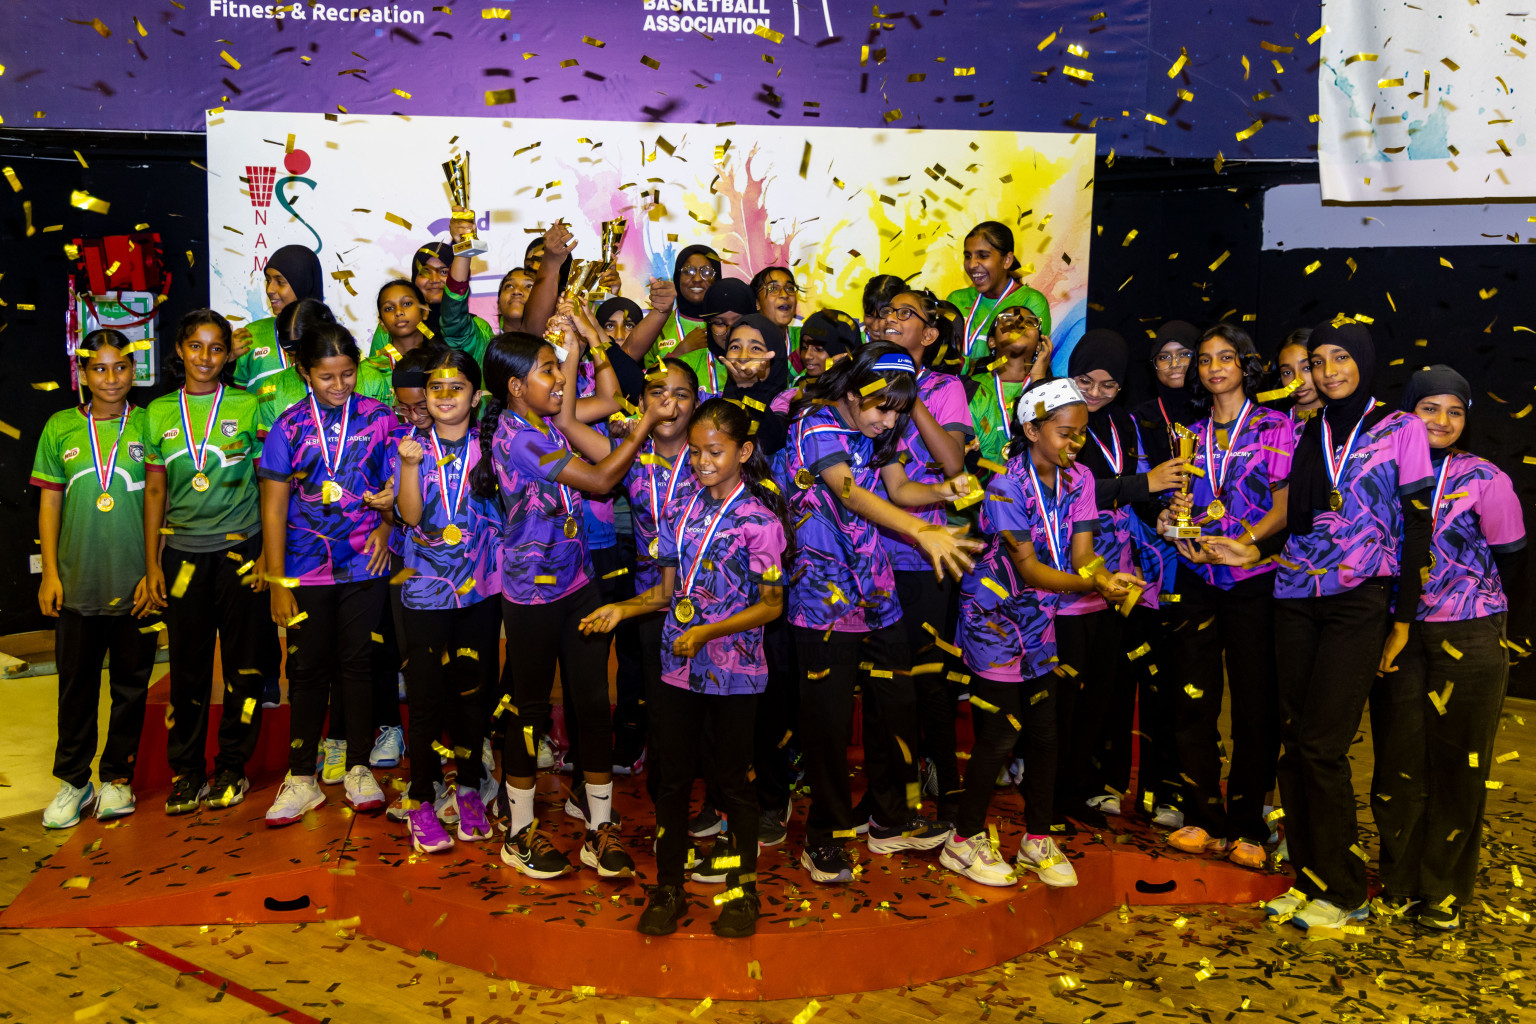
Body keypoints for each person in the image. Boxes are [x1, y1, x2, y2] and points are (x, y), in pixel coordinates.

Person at [1205, 318, 1434, 931]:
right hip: (1294, 592)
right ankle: (1307, 879)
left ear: (1362, 360)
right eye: (1317, 363)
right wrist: (1251, 550)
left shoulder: (1400, 428)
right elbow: (1301, 522)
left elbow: (1416, 526)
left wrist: (1404, 617)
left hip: (1359, 600)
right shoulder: (1309, 430)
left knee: (1324, 747)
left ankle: (1346, 889)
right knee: (1294, 739)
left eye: (1339, 359)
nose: (1327, 372)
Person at [583, 397, 792, 938]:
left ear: (744, 452)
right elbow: (667, 591)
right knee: (672, 781)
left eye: (714, 452)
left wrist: (706, 632)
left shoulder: (762, 523)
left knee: (733, 785)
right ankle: (668, 886)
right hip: (678, 668)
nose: (700, 462)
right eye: (695, 452)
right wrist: (622, 609)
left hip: (734, 670)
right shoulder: (681, 511)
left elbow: (771, 606)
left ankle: (741, 893)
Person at [779, 342, 981, 884]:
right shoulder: (816, 424)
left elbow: (897, 486)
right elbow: (849, 492)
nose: (888, 420)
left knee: (897, 704)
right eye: (880, 408)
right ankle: (824, 836)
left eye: (897, 410)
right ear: (850, 391)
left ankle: (887, 820)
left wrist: (942, 491)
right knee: (828, 722)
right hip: (822, 598)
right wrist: (920, 530)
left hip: (877, 591)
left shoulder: (881, 429)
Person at [483, 327, 677, 880]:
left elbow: (574, 409)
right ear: (517, 387)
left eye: (556, 368)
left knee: (593, 705)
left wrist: (575, 345)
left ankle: (598, 829)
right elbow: (598, 479)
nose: (559, 378)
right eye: (547, 370)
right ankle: (519, 834)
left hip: (577, 584)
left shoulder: (542, 420)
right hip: (532, 594)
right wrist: (643, 425)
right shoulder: (519, 438)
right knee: (529, 712)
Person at [948, 378, 1137, 887]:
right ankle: (962, 839)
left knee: (1045, 727)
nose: (1074, 444)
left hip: (1042, 613)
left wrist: (1102, 576)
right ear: (1031, 429)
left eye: (1081, 435)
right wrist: (1090, 583)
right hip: (995, 614)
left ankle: (1036, 838)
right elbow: (1029, 570)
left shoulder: (1081, 482)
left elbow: (1081, 556)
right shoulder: (1005, 487)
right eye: (1065, 433)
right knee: (1000, 729)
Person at [1368, 365, 1526, 930]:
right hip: (1396, 633)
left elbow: (1510, 552)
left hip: (1470, 631)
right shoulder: (1377, 472)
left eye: (1454, 411)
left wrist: (1458, 590)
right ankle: (1400, 880)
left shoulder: (1486, 477)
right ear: (1406, 414)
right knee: (1398, 765)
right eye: (1429, 408)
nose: (1441, 420)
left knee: (1459, 764)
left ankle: (1443, 890)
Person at [1161, 324, 1293, 869]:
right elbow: (1180, 507)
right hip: (1198, 580)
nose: (1215, 367)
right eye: (1207, 360)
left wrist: (1243, 544)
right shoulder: (1187, 432)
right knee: (1192, 700)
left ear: (1246, 366)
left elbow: (1285, 508)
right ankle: (1199, 816)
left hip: (1251, 582)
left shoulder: (1275, 427)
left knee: (1254, 705)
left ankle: (1246, 826)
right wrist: (1178, 534)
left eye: (1227, 358)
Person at [259, 322, 400, 825]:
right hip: (305, 565)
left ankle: (359, 766)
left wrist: (387, 522)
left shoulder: (383, 418)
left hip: (366, 563)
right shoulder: (288, 426)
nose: (338, 386)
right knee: (306, 668)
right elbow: (273, 509)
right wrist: (278, 582)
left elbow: (399, 485)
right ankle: (301, 777)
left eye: (347, 374)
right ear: (304, 372)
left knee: (359, 663)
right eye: (326, 377)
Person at [1056, 330, 1187, 831]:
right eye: (1085, 380)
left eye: (1108, 385)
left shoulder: (1125, 425)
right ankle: (1064, 787)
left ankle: (1094, 786)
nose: (1094, 393)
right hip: (1068, 573)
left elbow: (1135, 492)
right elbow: (1072, 487)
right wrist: (1143, 484)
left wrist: (1162, 508)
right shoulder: (1059, 423)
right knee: (1074, 689)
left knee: (1108, 689)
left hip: (1121, 578)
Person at [143, 310, 267, 815]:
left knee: (244, 666)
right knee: (189, 670)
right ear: (179, 350)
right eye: (196, 346)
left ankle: (233, 765)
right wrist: (152, 563)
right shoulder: (156, 412)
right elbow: (154, 490)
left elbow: (268, 484)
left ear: (228, 354)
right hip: (183, 556)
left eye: (216, 348)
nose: (205, 357)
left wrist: (267, 557)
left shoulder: (248, 405)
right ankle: (188, 771)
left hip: (241, 552)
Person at [33, 330, 156, 828]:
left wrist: (154, 573)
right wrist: (50, 575)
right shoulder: (60, 426)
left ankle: (117, 779)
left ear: (134, 371)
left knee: (131, 686)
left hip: (136, 587)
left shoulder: (151, 424)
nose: (111, 378)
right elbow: (49, 505)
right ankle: (75, 781)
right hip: (77, 586)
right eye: (99, 369)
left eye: (121, 367)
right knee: (75, 687)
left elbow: (161, 504)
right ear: (82, 374)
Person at [389, 347, 504, 853]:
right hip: (425, 591)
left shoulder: (495, 446)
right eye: (436, 388)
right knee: (428, 691)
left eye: (456, 387)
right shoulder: (411, 446)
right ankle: (421, 791)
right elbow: (411, 517)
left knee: (473, 689)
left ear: (475, 397)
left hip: (482, 589)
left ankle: (471, 785)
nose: (445, 396)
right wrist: (409, 467)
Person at [868, 289, 971, 825]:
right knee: (882, 679)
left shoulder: (946, 387)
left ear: (929, 336)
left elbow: (953, 463)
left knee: (928, 677)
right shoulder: (860, 379)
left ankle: (946, 787)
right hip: (864, 556)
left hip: (922, 556)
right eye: (886, 313)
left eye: (905, 314)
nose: (891, 319)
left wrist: (911, 394)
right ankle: (891, 793)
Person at [945, 222, 1051, 372]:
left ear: (1007, 260)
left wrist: (966, 367)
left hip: (1003, 394)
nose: (972, 264)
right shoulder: (955, 300)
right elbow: (942, 353)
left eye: (983, 256)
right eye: (968, 256)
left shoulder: (1031, 302)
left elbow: (1021, 364)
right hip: (953, 391)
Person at [966, 306, 1054, 471]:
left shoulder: (1053, 390)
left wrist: (1038, 382)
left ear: (1038, 346)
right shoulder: (969, 388)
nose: (1020, 324)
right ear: (991, 341)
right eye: (1008, 320)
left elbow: (1051, 440)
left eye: (1029, 322)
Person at [231, 244, 322, 394]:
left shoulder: (333, 339)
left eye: (280, 282)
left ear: (303, 283)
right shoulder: (250, 336)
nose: (269, 290)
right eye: (268, 280)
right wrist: (226, 359)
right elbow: (235, 401)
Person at [624, 245, 723, 367]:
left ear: (717, 278)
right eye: (689, 271)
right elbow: (642, 378)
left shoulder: (728, 325)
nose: (697, 278)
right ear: (677, 277)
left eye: (706, 272)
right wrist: (679, 352)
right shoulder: (657, 327)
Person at [718, 313, 792, 456]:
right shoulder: (715, 404)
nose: (743, 356)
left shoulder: (789, 402)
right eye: (735, 347)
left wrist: (748, 389)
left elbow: (768, 445)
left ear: (774, 358)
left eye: (756, 348)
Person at [1276, 328, 1323, 433]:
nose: (1298, 381)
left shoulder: (1347, 421)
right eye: (1287, 373)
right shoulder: (1272, 427)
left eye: (1307, 368)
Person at [750, 266, 803, 353]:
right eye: (773, 289)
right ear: (757, 303)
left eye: (790, 288)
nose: (785, 295)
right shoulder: (743, 343)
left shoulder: (806, 340)